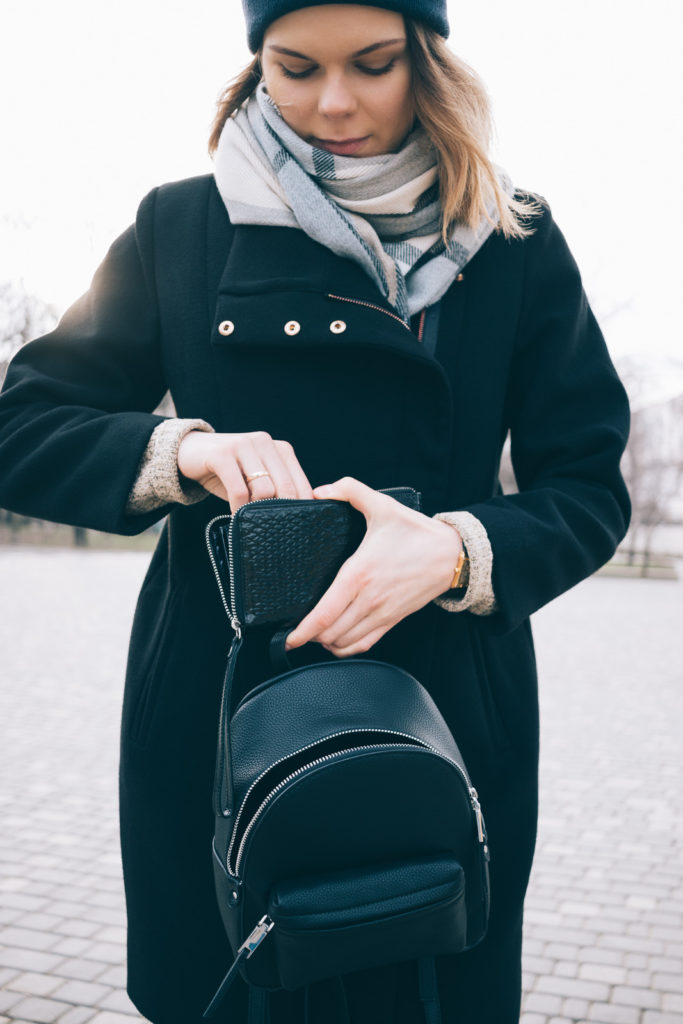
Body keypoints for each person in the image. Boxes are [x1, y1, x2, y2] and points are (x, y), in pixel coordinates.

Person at [0, 2, 631, 1022]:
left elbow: (588, 486)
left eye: (372, 64)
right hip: (219, 717)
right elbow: (20, 426)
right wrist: (180, 451)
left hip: (444, 718)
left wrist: (456, 551)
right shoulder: (181, 227)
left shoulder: (513, 240)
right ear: (254, 68)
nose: (332, 103)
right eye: (294, 68)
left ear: (425, 61)